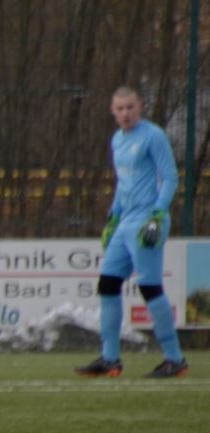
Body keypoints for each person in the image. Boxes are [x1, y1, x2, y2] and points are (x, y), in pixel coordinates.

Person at [76, 85, 187, 379]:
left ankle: (174, 359)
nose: (125, 113)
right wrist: (112, 217)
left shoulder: (152, 135)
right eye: (120, 108)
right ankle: (110, 358)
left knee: (149, 287)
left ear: (139, 107)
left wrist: (157, 214)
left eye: (130, 107)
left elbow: (171, 178)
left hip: (147, 221)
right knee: (108, 285)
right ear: (113, 111)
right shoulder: (117, 140)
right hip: (125, 222)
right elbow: (123, 184)